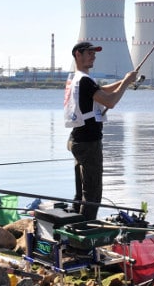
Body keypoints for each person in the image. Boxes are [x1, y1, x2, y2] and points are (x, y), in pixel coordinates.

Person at [64, 41, 139, 220]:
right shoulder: (83, 80)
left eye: (94, 53)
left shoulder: (77, 79)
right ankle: (85, 231)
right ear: (77, 55)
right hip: (88, 143)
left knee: (81, 190)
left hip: (77, 139)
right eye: (89, 53)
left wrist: (124, 82)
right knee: (93, 194)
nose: (93, 56)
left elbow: (101, 91)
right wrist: (127, 81)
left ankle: (75, 223)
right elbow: (110, 101)